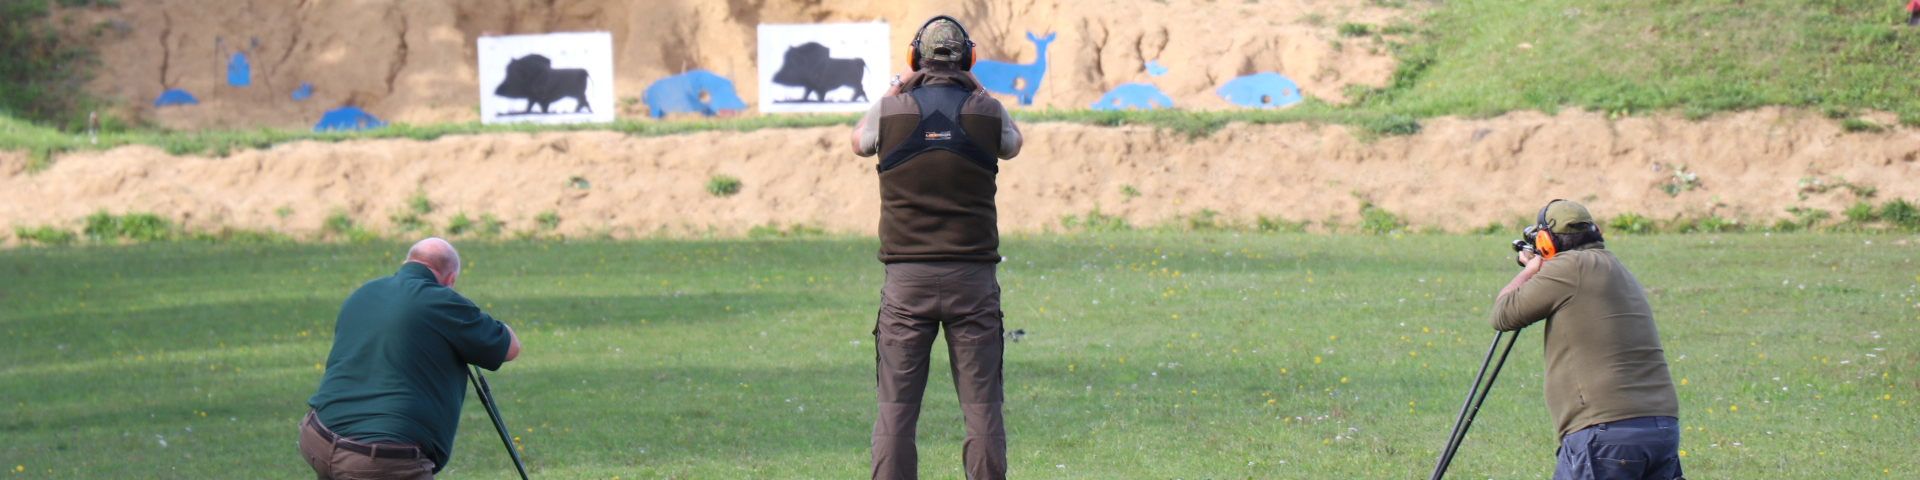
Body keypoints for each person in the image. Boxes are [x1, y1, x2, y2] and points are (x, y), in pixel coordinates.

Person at [847, 15, 1023, 480]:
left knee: (896, 413)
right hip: (973, 283)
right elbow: (1013, 146)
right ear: (968, 58)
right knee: (982, 409)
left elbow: (857, 144)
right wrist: (976, 87)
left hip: (906, 286)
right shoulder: (989, 111)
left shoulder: (891, 111)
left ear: (913, 59)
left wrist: (896, 87)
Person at [300, 238, 522, 480]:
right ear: (449, 280)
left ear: (407, 261)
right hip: (380, 458)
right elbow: (510, 347)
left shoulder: (363, 292)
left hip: (317, 436)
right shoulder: (442, 301)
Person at [1491, 200, 1682, 480]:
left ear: (1545, 242)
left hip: (1606, 432)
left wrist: (1531, 269)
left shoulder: (1568, 268)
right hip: (1661, 428)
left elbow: (1502, 314)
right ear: (1597, 232)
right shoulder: (1616, 267)